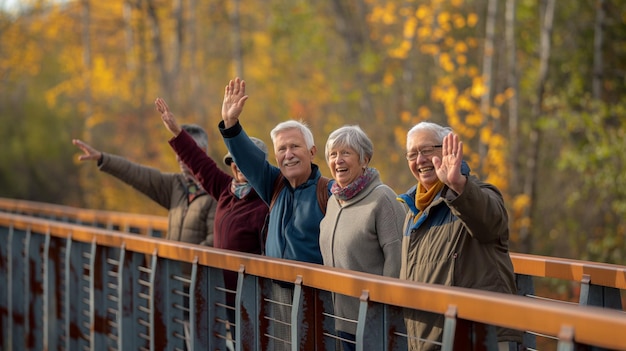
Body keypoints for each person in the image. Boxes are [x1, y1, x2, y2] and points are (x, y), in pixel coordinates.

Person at [219, 77, 331, 350]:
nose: (288, 154)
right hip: (275, 296)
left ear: (312, 152)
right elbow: (248, 158)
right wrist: (231, 126)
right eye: (282, 149)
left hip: (315, 300)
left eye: (295, 146)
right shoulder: (274, 184)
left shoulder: (327, 192)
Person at [398, 121, 522, 350]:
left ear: (448, 151)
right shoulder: (412, 210)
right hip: (428, 341)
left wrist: (457, 185)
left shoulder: (475, 194)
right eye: (412, 154)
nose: (420, 160)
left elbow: (491, 224)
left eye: (426, 150)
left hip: (478, 339)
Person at [155, 97, 268, 335]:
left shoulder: (267, 199)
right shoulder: (225, 189)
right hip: (220, 290)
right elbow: (200, 164)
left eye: (246, 161)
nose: (239, 166)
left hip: (253, 295)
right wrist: (176, 131)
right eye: (234, 162)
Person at [319, 125, 406, 351]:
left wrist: (384, 313)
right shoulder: (333, 202)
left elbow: (397, 260)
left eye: (346, 153)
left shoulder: (383, 198)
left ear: (364, 159)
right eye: (333, 154)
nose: (338, 160)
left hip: (376, 324)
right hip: (341, 321)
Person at [71, 125, 217, 248]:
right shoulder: (176, 185)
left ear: (202, 152)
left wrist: (187, 266)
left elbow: (213, 244)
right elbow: (136, 173)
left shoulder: (217, 191)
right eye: (176, 152)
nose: (178, 157)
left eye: (183, 151)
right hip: (172, 276)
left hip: (196, 280)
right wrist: (103, 159)